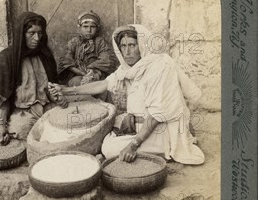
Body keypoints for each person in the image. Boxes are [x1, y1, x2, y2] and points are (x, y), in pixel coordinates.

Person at [49, 24, 204, 165]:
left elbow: (157, 115)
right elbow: (104, 84)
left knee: (109, 149)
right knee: (103, 133)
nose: (127, 51)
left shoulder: (160, 66)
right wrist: (66, 90)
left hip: (161, 129)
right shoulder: (129, 68)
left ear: (142, 45)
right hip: (139, 124)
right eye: (123, 46)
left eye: (132, 45)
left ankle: (162, 150)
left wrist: (133, 145)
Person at [0, 12, 61, 145]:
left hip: (48, 107)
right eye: (31, 33)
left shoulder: (45, 54)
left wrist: (57, 96)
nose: (37, 38)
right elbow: (1, 96)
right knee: (22, 132)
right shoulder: (7, 57)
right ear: (21, 34)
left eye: (40, 33)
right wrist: (1, 126)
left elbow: (54, 86)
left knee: (64, 128)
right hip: (24, 112)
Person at [57, 11, 118, 86]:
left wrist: (91, 70)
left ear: (97, 28)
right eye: (85, 27)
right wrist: (81, 72)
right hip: (77, 74)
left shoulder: (100, 42)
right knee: (76, 82)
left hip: (95, 74)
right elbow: (66, 61)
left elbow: (106, 60)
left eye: (92, 27)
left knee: (93, 83)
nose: (89, 30)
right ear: (79, 28)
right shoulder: (74, 42)